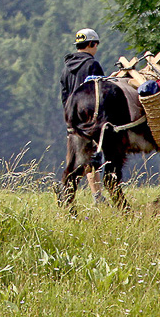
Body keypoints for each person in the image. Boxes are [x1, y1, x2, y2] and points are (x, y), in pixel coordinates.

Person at [60, 28, 105, 204]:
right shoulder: (92, 65)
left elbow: (64, 97)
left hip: (73, 120)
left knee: (75, 158)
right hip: (90, 119)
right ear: (92, 44)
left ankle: (69, 194)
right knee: (92, 157)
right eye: (96, 45)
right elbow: (100, 93)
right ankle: (97, 197)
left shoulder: (66, 68)